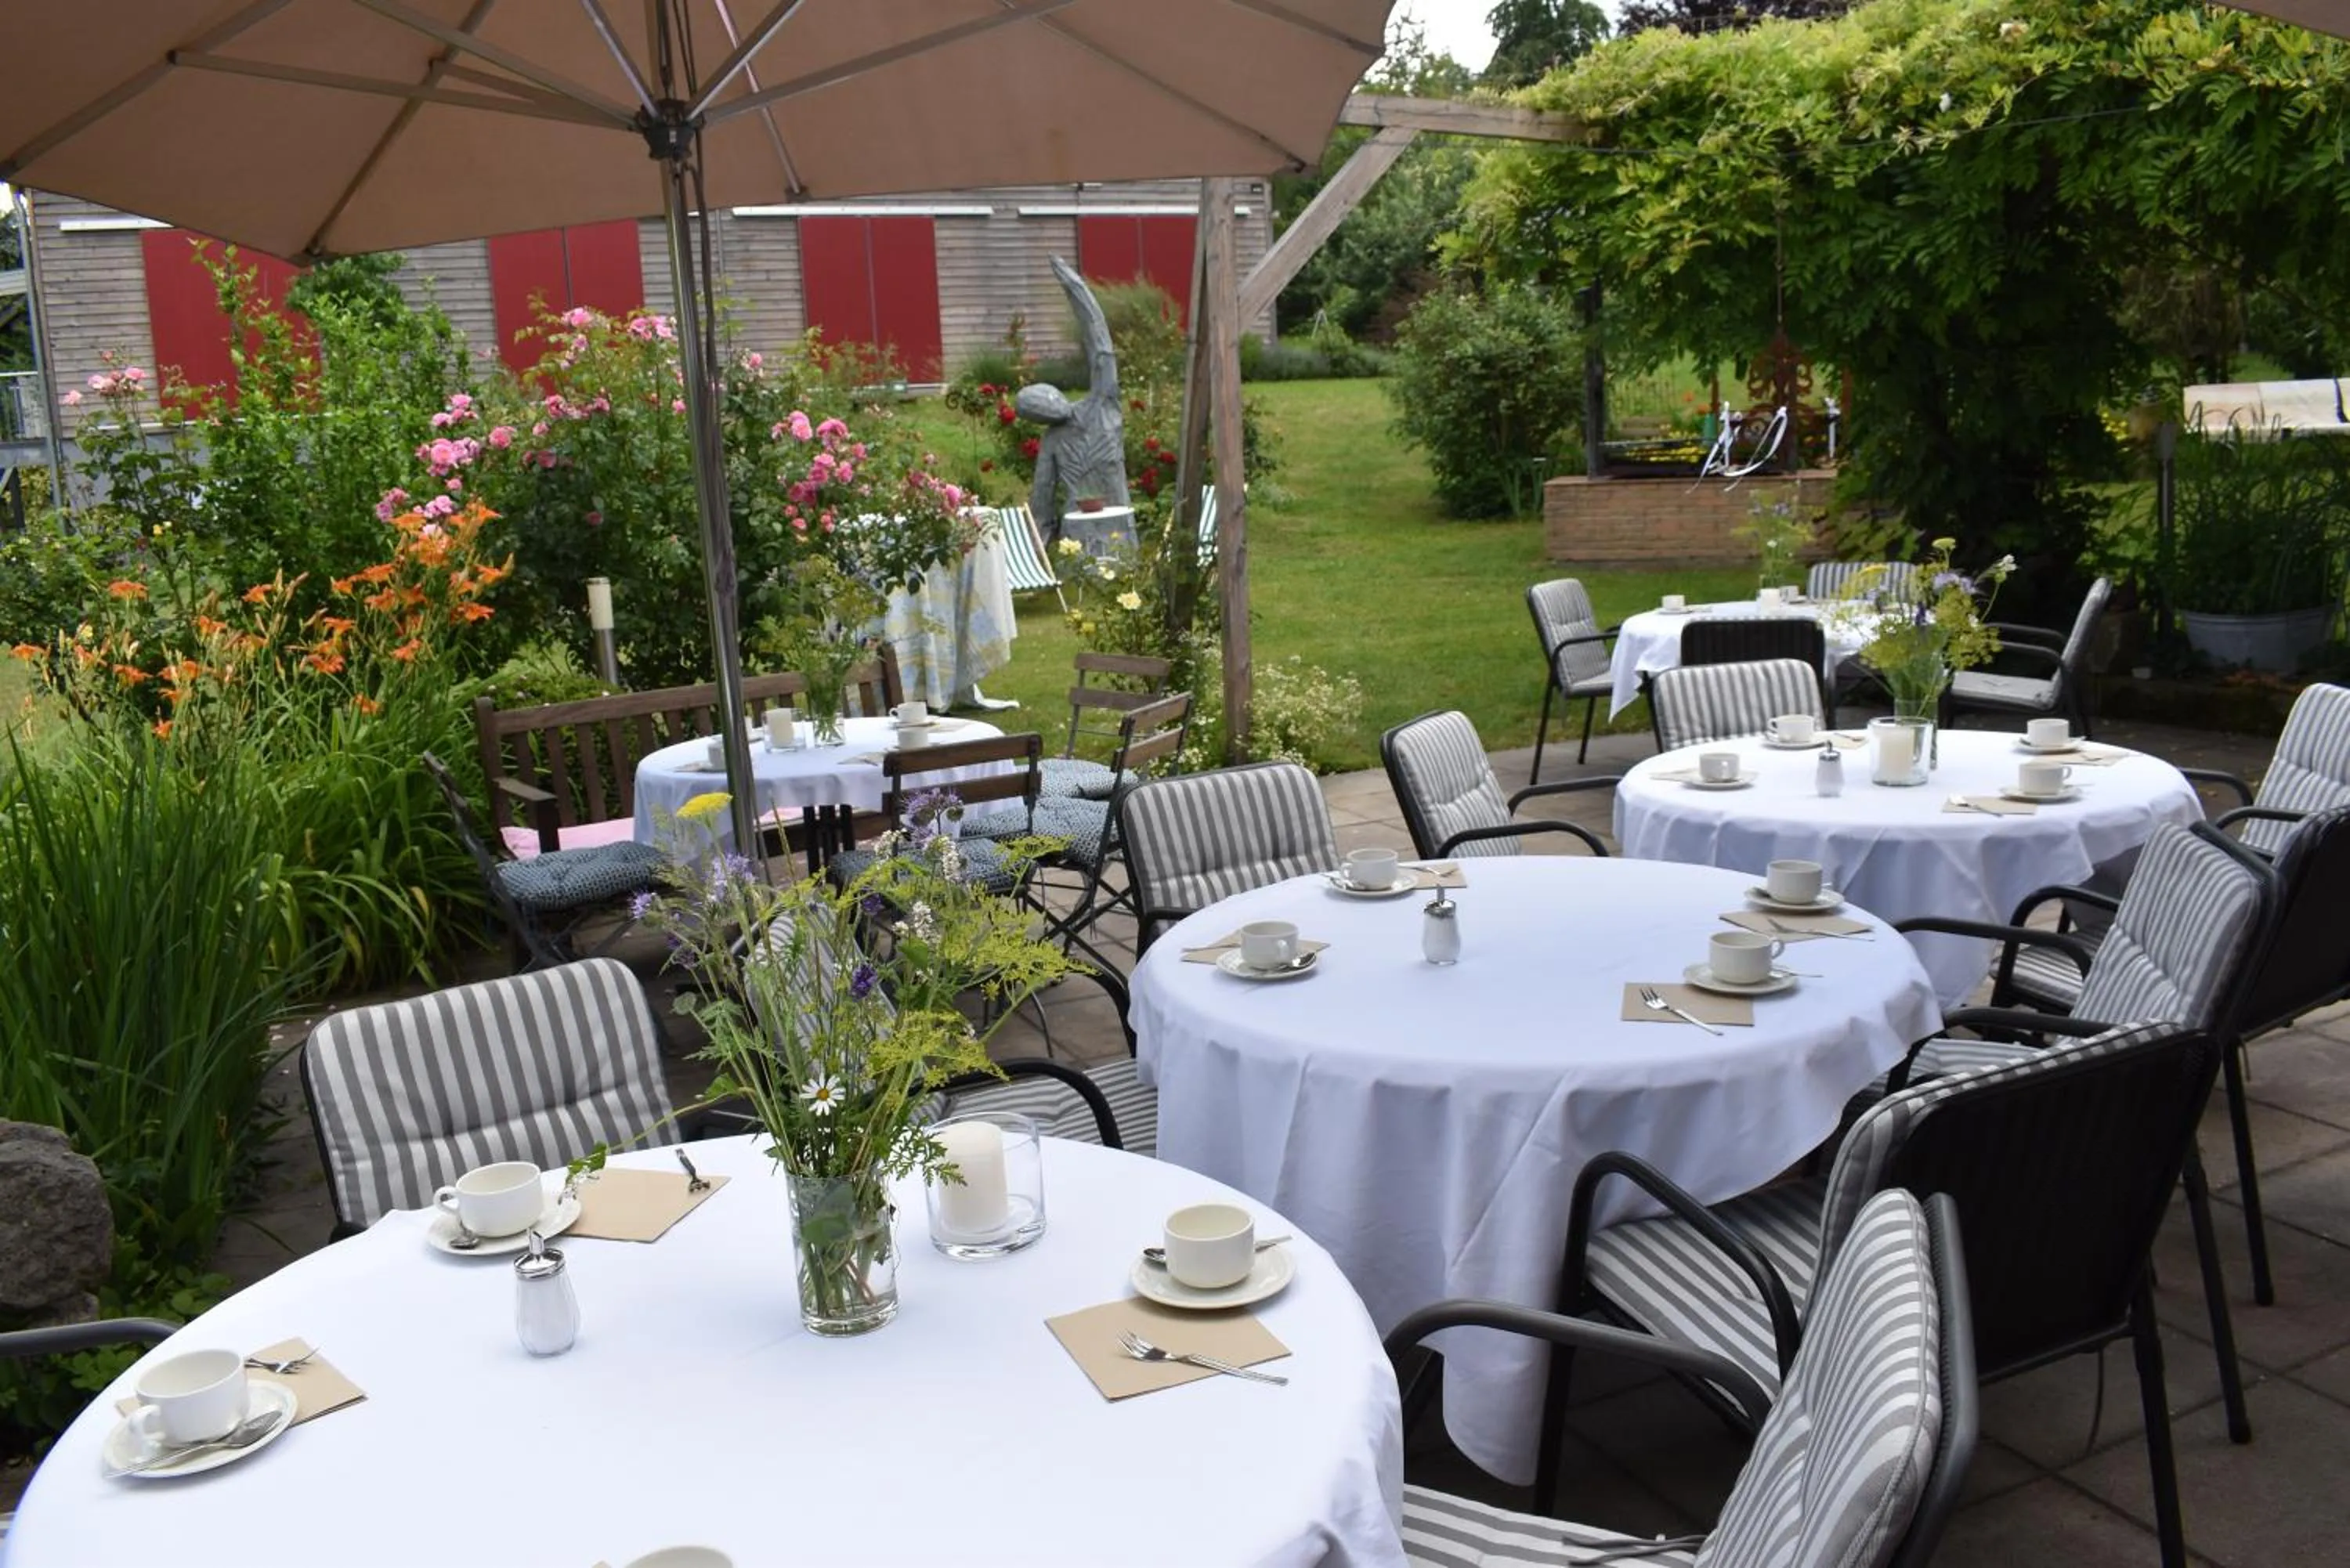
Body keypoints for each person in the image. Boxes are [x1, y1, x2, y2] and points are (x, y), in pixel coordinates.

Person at [1019, 257, 1132, 552]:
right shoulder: (1053, 441)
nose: (1045, 407)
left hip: (1118, 519)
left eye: (1044, 398)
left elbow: (1101, 348)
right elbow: (1042, 499)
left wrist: (1075, 288)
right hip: (1078, 534)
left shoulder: (1102, 406)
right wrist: (1035, 554)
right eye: (1036, 410)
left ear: (1054, 392)